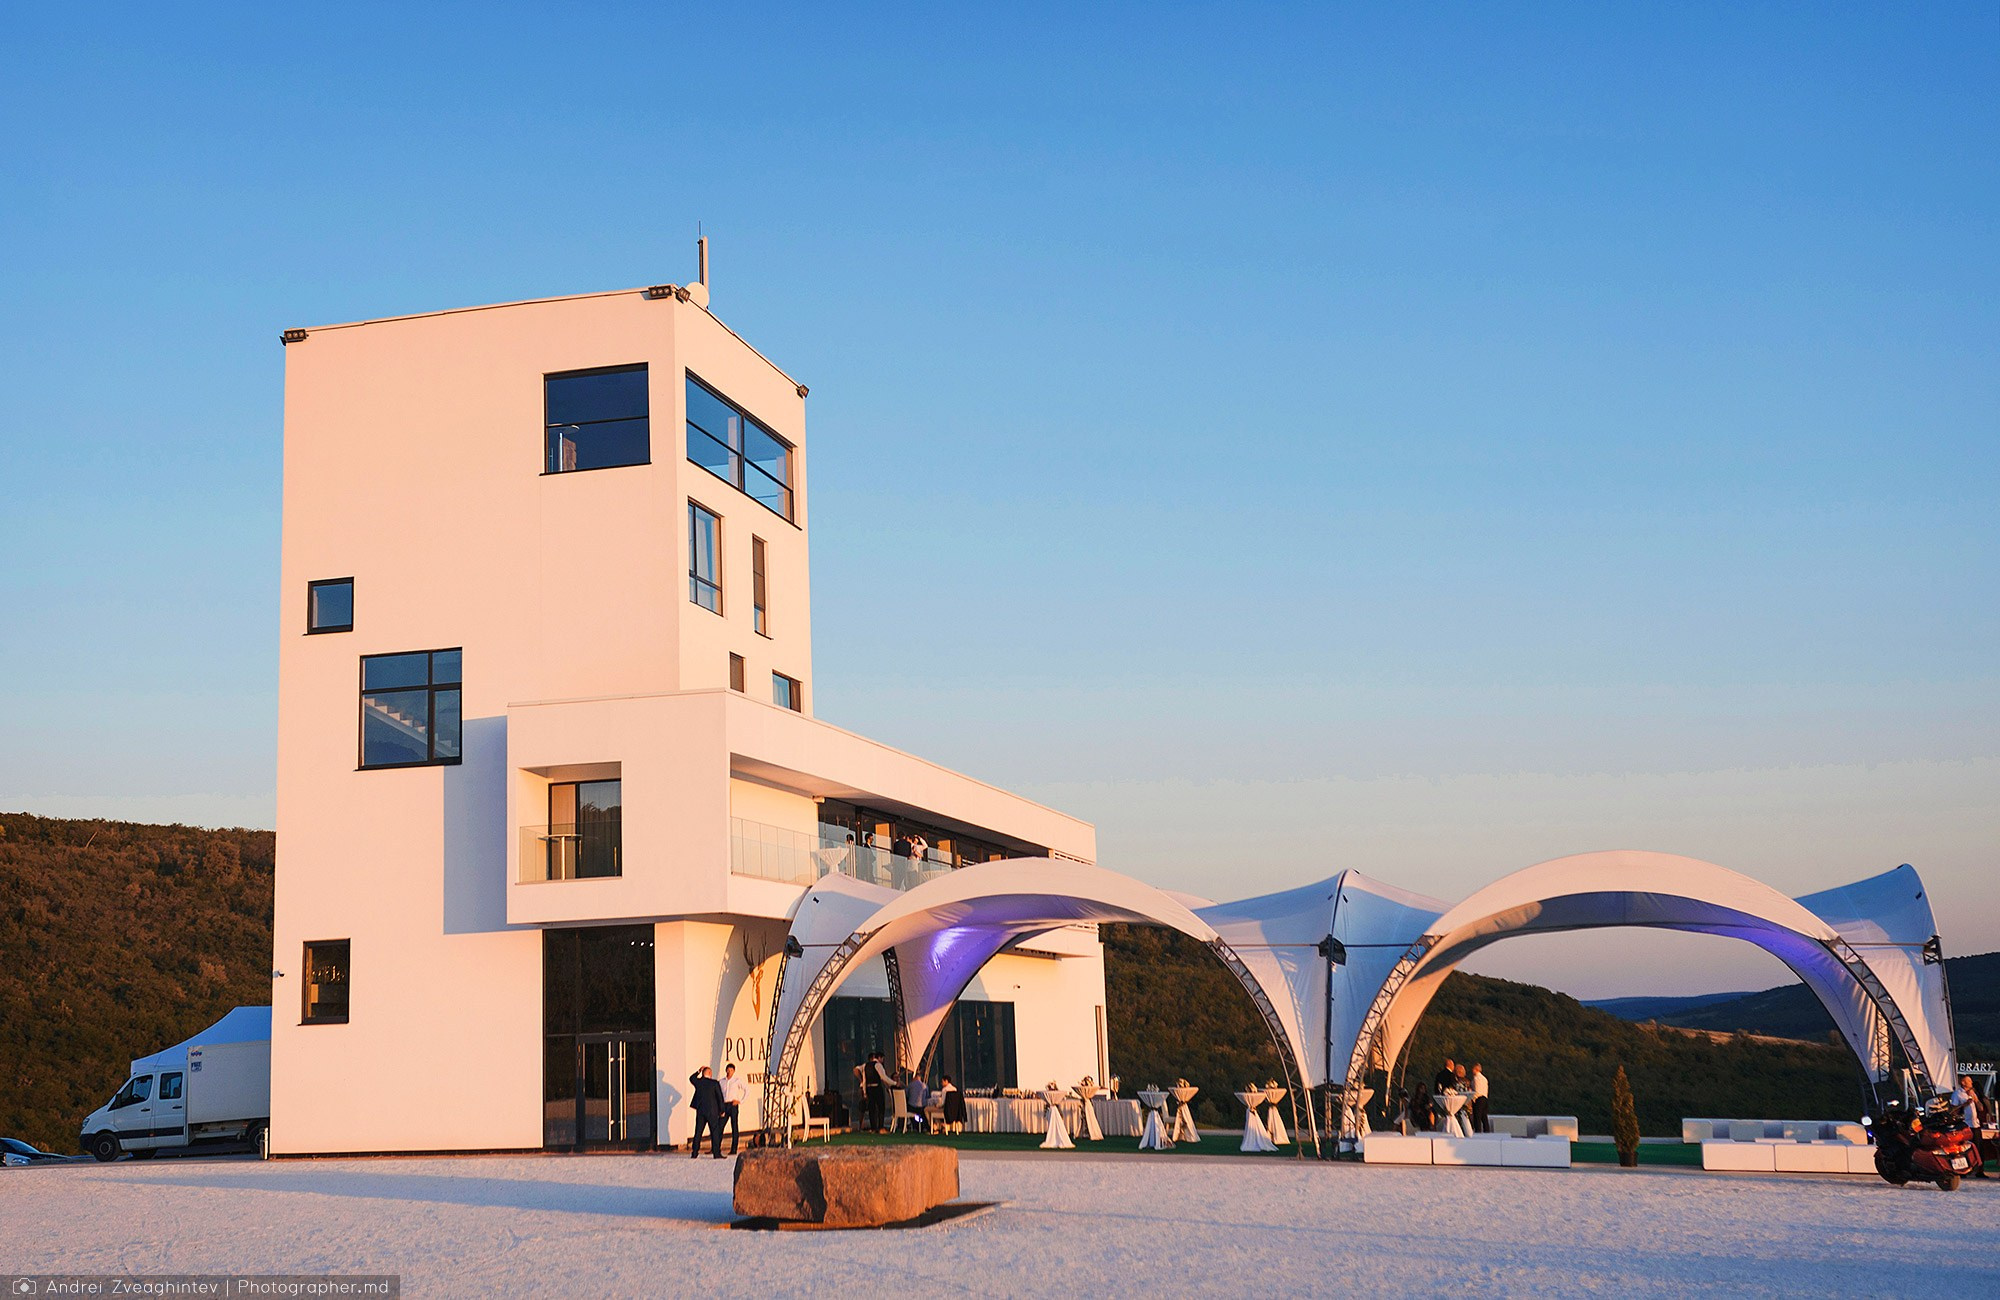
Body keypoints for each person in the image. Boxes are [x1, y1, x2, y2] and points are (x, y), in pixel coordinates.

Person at [687, 1066, 725, 1158]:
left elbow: (691, 1078)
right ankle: (716, 1153)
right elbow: (720, 1097)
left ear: (703, 1074)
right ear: (710, 1074)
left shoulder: (699, 1082)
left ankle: (695, 1152)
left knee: (698, 1132)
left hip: (701, 1111)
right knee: (714, 1132)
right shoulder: (714, 1083)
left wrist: (698, 1071)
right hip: (712, 1111)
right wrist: (722, 1110)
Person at [719, 1063, 749, 1154]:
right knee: (720, 1126)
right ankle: (716, 1147)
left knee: (734, 1126)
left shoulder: (737, 1080)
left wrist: (740, 1101)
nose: (729, 1072)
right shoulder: (721, 1081)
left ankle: (734, 1149)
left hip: (733, 1105)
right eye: (728, 1070)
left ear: (734, 1071)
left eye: (731, 1070)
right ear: (726, 1070)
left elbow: (747, 1090)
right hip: (724, 1105)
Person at [865, 1051, 891, 1131]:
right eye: (882, 1059)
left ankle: (873, 1127)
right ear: (879, 1058)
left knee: (871, 1108)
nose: (882, 1061)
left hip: (869, 1088)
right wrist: (894, 1083)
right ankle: (880, 1126)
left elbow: (864, 1079)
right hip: (876, 1087)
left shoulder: (866, 1065)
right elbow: (883, 1077)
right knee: (881, 1107)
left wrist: (865, 1091)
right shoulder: (878, 1065)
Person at [1470, 1063, 1491, 1134]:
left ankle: (1478, 1132)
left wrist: (1473, 1099)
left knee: (1477, 1117)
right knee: (1484, 1117)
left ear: (1475, 1069)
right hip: (1485, 1098)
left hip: (1478, 1099)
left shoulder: (1476, 1078)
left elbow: (1476, 1091)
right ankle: (1487, 1131)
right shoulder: (1484, 1079)